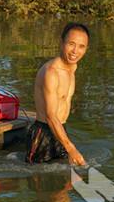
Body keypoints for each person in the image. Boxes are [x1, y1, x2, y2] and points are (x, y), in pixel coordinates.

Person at [26, 22, 89, 166]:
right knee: (41, 183)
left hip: (61, 130)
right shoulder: (51, 72)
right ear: (61, 43)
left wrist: (68, 145)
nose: (75, 51)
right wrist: (71, 148)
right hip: (44, 135)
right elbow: (50, 116)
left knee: (65, 182)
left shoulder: (72, 67)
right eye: (71, 44)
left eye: (81, 46)